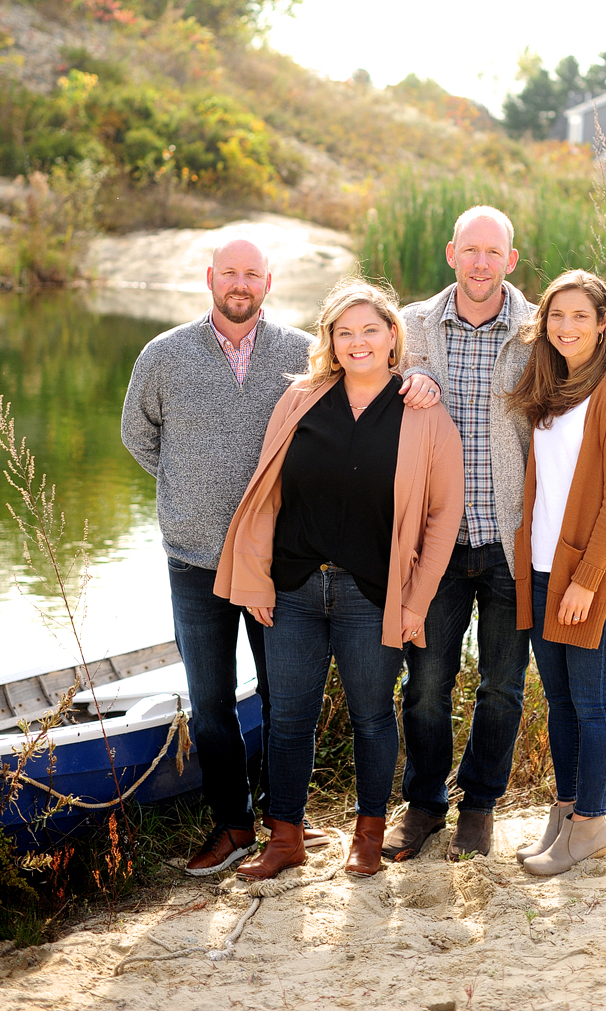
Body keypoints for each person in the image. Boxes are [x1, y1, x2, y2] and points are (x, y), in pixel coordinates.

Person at [121, 240, 442, 876]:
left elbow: (370, 377)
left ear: (269, 281)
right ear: (210, 277)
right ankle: (238, 826)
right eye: (229, 273)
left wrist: (419, 380)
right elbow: (139, 436)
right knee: (211, 701)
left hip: (291, 568)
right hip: (199, 558)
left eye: (252, 274)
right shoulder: (164, 354)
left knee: (284, 701)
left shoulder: (303, 356)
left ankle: (287, 823)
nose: (239, 284)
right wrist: (191, 493)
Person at [213, 280, 464, 879]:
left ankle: (369, 834)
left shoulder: (421, 411)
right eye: (344, 332)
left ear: (393, 336)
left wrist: (415, 605)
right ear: (329, 340)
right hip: (295, 588)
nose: (357, 342)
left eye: (370, 330)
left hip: (373, 596)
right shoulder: (301, 398)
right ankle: (285, 838)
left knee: (372, 716)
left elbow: (442, 517)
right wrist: (257, 581)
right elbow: (266, 493)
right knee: (290, 718)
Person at [383, 205, 534, 863]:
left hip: (510, 542)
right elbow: (360, 377)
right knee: (425, 685)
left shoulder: (538, 331)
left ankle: (479, 806)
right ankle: (422, 806)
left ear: (510, 260)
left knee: (503, 684)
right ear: (451, 254)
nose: (480, 262)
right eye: (469, 249)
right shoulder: (411, 326)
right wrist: (402, 382)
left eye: (491, 251)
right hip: (434, 546)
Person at [507, 269, 606, 876]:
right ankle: (566, 813)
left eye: (580, 317)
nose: (567, 328)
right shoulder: (552, 389)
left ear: (601, 324)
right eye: (556, 316)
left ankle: (592, 823)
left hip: (590, 575)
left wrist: (587, 581)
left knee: (594, 703)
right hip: (542, 570)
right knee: (560, 701)